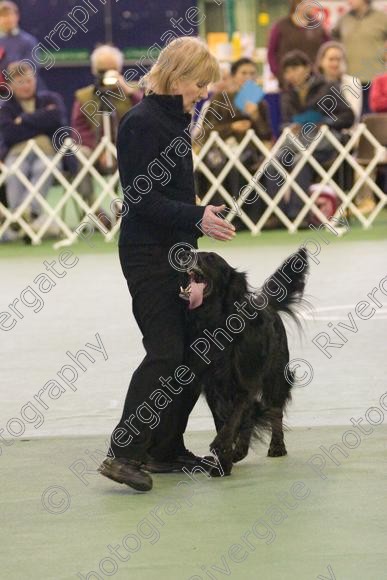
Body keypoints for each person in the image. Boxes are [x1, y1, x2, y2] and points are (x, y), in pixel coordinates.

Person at [99, 37, 235, 493]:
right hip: (146, 255)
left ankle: (164, 449)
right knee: (164, 352)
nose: (203, 92)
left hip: (176, 253)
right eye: (199, 83)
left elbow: (173, 196)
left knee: (190, 354)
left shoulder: (173, 122)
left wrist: (195, 246)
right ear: (176, 76)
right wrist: (197, 216)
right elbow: (141, 198)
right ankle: (123, 454)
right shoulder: (141, 123)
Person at [71, 45, 142, 226]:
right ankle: (94, 208)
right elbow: (78, 129)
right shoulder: (83, 96)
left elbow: (147, 116)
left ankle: (129, 209)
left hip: (128, 149)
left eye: (111, 70)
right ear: (94, 71)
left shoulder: (132, 91)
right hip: (96, 152)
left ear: (119, 70)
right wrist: (99, 150)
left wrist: (131, 92)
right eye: (102, 70)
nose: (106, 75)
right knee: (81, 154)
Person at [197, 57, 273, 227]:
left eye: (252, 73)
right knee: (222, 166)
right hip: (220, 150)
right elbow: (206, 131)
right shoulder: (220, 98)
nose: (248, 77)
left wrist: (255, 117)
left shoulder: (260, 103)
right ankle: (223, 216)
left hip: (249, 151)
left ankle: (249, 218)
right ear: (233, 76)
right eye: (243, 73)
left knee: (248, 163)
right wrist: (232, 127)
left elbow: (267, 135)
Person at [279, 50, 354, 220]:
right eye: (287, 71)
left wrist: (325, 123)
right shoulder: (287, 95)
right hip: (298, 141)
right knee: (274, 161)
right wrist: (291, 127)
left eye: (295, 68)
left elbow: (348, 116)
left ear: (307, 68)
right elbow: (284, 122)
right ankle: (277, 214)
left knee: (301, 160)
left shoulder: (328, 86)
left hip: (325, 142)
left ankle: (298, 214)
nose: (291, 74)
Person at [0, 61, 66, 229]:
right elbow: (10, 134)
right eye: (21, 82)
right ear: (10, 85)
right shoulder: (5, 108)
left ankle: (26, 213)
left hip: (47, 152)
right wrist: (40, 123)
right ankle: (22, 218)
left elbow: (56, 120)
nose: (26, 86)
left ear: (35, 80)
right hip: (16, 154)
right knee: (15, 172)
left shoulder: (51, 98)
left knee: (44, 168)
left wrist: (23, 120)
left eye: (29, 81)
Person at [332, 0, 387, 113]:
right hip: (350, 81)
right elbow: (334, 40)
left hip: (374, 80)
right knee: (352, 118)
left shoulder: (382, 18)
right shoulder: (343, 19)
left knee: (373, 121)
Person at [268, 0, 330, 87]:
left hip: (315, 82)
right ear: (298, 4)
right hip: (288, 82)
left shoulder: (318, 26)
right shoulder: (280, 26)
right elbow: (271, 52)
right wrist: (278, 73)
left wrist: (322, 72)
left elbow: (328, 49)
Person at [315, 41, 363, 126]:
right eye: (331, 59)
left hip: (345, 131)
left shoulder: (353, 83)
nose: (335, 64)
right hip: (316, 131)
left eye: (339, 59)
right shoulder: (314, 84)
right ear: (321, 61)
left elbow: (354, 115)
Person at [0, 1, 39, 72]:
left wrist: (15, 68)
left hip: (21, 81)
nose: (7, 19)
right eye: (3, 15)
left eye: (10, 14)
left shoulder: (29, 41)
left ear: (17, 16)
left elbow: (33, 67)